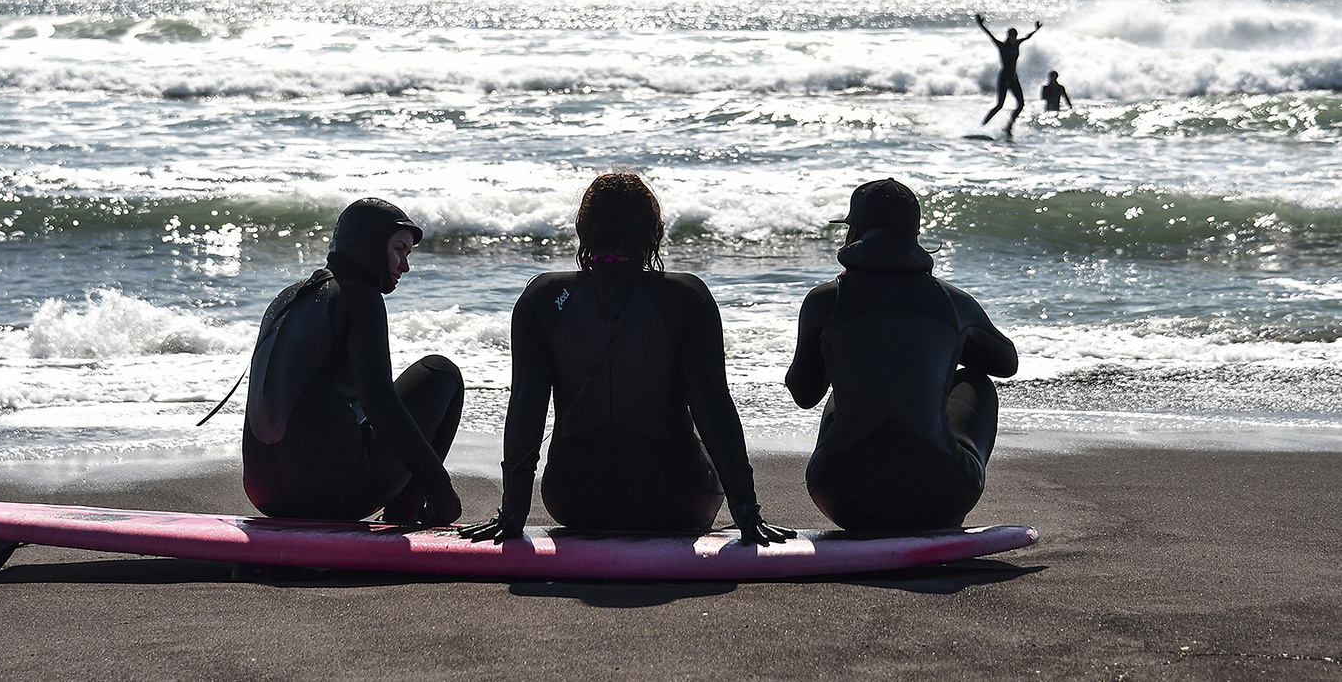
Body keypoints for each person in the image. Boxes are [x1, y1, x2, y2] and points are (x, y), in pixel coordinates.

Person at [460, 173, 793, 545]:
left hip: (573, 500)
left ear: (582, 232)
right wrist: (747, 513)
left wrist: (512, 516)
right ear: (653, 234)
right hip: (676, 501)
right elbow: (712, 405)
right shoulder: (687, 296)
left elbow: (526, 405)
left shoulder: (542, 298)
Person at [785, 178, 1017, 530]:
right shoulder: (954, 303)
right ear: (916, 234)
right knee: (976, 381)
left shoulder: (824, 299)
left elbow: (804, 394)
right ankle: (942, 487)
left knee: (848, 393)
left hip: (842, 495)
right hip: (943, 495)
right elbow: (1006, 363)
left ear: (856, 232)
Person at [242, 197, 464, 525]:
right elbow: (379, 404)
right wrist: (441, 486)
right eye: (399, 249)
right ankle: (408, 509)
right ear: (372, 244)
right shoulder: (360, 298)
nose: (405, 265)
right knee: (441, 373)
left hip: (265, 494)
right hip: (333, 495)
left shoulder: (287, 298)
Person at [977, 13, 1041, 135]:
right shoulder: (1002, 46)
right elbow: (990, 36)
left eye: (1015, 36)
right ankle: (982, 125)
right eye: (1012, 36)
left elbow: (1027, 37)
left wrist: (1036, 30)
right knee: (1000, 105)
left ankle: (1008, 126)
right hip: (1004, 78)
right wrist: (981, 25)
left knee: (1021, 104)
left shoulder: (1017, 44)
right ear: (1008, 36)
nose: (1013, 38)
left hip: (1013, 78)